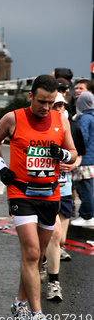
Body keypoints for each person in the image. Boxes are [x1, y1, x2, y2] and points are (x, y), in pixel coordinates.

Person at [0, 74, 77, 320]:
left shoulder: (61, 120)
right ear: (31, 97)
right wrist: (0, 167)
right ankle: (37, 314)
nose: (46, 108)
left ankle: (19, 303)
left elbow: (73, 154)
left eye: (50, 102)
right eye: (41, 102)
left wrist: (61, 154)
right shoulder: (13, 118)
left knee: (36, 258)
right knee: (31, 250)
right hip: (21, 193)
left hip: (50, 194)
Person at [42, 92, 85, 302]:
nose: (57, 109)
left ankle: (53, 280)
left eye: (60, 105)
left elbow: (78, 153)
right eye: (54, 105)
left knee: (57, 236)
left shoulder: (71, 127)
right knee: (44, 238)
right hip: (40, 190)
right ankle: (44, 264)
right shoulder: (39, 125)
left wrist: (72, 162)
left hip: (64, 188)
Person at [70, 91, 94, 227]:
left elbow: (81, 139)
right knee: (87, 189)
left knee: (85, 190)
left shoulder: (85, 118)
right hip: (91, 159)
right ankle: (87, 215)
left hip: (84, 160)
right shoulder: (93, 116)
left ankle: (87, 216)